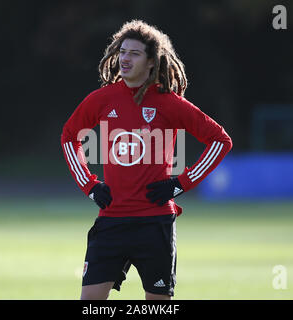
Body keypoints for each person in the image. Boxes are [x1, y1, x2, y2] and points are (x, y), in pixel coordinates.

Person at [61, 20, 232, 300]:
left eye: (134, 54)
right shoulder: (103, 99)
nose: (125, 59)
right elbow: (69, 136)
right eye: (122, 52)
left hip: (155, 225)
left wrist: (181, 183)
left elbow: (220, 140)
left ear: (152, 62)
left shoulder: (169, 102)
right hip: (111, 222)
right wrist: (90, 186)